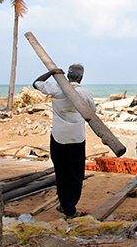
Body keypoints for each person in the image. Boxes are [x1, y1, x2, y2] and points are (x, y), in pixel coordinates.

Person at [33, 64, 96, 218]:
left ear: (68, 76)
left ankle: (64, 205)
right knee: (75, 175)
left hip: (58, 138)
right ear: (81, 77)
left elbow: (36, 83)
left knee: (61, 173)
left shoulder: (56, 89)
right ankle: (70, 208)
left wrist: (51, 72)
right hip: (76, 139)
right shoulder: (84, 93)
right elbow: (92, 112)